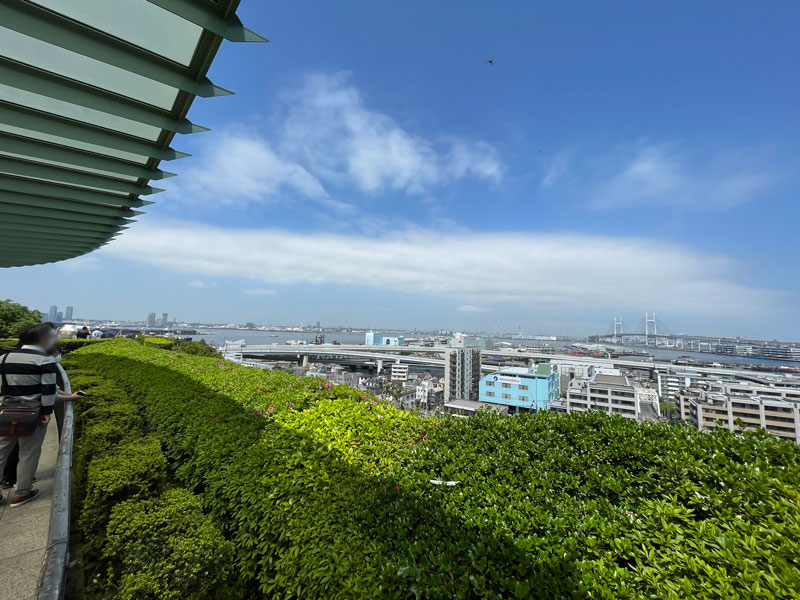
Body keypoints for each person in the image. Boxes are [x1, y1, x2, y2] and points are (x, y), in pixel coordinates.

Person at [0, 324, 58, 507]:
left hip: (6, 412)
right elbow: (48, 391)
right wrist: (47, 412)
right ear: (42, 340)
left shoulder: (4, 358)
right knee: (28, 454)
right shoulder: (45, 361)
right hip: (33, 414)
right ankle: (22, 493)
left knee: (1, 452)